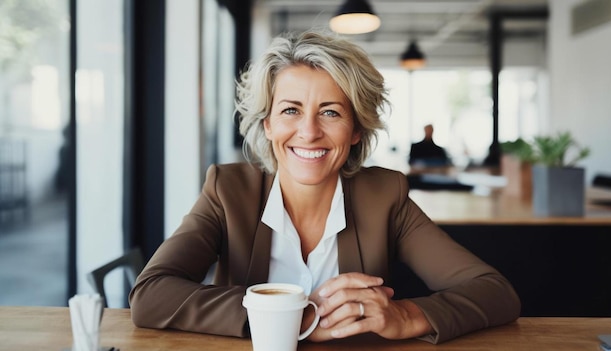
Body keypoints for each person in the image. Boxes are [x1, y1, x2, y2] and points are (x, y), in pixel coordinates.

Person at [129, 29, 520, 344]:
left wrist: (407, 315)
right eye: (290, 110)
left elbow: (495, 292)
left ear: (355, 131)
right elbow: (150, 295)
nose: (310, 132)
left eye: (330, 112)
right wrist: (292, 318)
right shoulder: (227, 190)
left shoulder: (385, 196)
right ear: (268, 125)